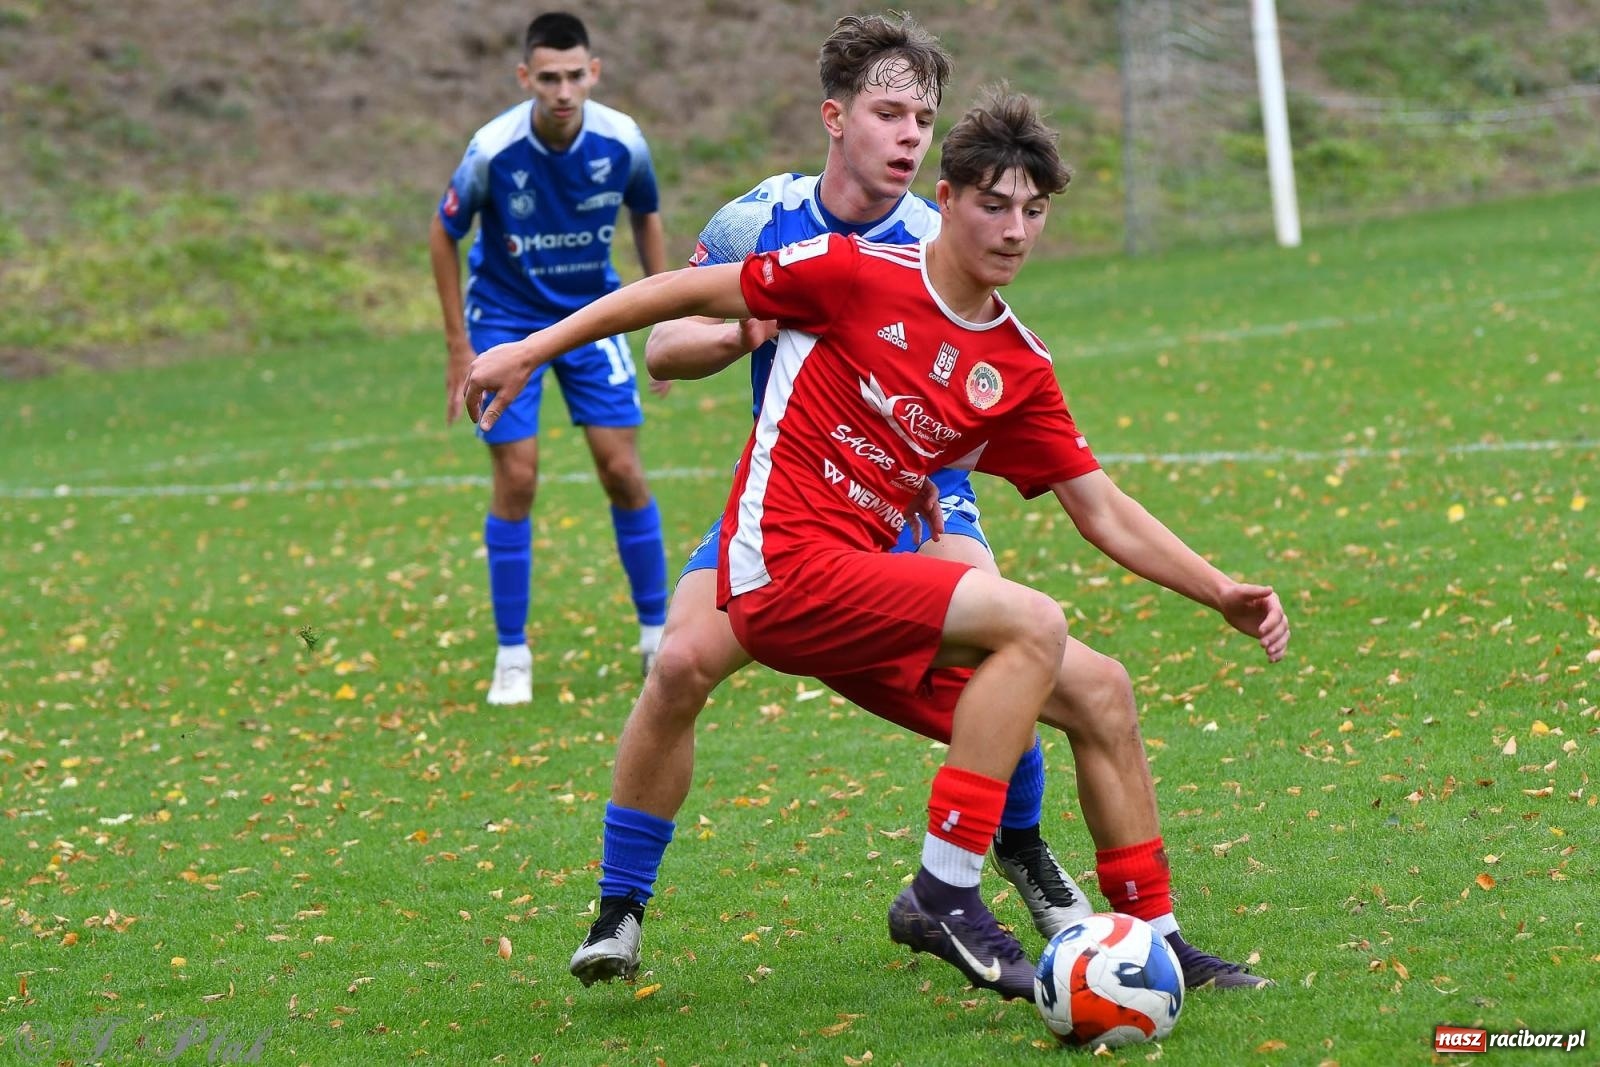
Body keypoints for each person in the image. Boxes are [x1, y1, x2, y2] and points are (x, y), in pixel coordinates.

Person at [463, 87, 1291, 1003]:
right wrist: (531, 348)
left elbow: (1103, 509)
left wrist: (1220, 589)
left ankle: (1156, 943)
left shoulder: (1018, 363)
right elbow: (675, 298)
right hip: (779, 569)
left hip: (864, 579)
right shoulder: (851, 271)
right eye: (994, 205)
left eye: (1033, 211)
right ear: (946, 199)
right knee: (1026, 623)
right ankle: (943, 889)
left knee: (1102, 689)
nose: (1015, 230)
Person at [566, 11, 1096, 990]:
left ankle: (1019, 849)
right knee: (678, 662)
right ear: (835, 117)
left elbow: (980, 378)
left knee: (1005, 650)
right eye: (889, 112)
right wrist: (743, 331)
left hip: (918, 497)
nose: (909, 135)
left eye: (923, 118)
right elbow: (665, 349)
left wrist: (941, 486)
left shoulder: (943, 232)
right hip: (792, 498)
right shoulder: (759, 219)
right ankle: (619, 908)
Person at [428, 11, 670, 705]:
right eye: (548, 79)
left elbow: (646, 215)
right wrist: (459, 345)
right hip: (505, 319)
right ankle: (512, 655)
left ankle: (657, 636)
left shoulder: (623, 140)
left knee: (622, 468)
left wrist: (664, 311)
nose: (563, 91)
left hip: (594, 316)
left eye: (573, 76)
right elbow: (444, 234)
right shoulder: (492, 150)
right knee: (518, 476)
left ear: (593, 73)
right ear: (525, 78)